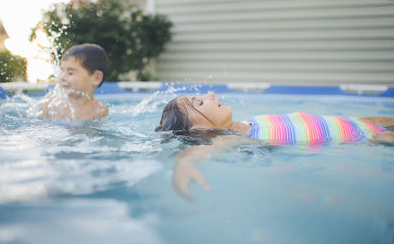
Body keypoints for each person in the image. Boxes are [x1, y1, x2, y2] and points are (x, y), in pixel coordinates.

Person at [156, 92, 394, 200]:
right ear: (197, 129)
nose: (210, 94)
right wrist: (184, 165)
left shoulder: (249, 123)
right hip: (367, 138)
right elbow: (202, 150)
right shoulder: (230, 138)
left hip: (357, 123)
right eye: (199, 102)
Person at [39, 43, 109, 121]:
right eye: (62, 71)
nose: (62, 77)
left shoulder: (100, 111)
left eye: (70, 73)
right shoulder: (51, 106)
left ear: (96, 78)